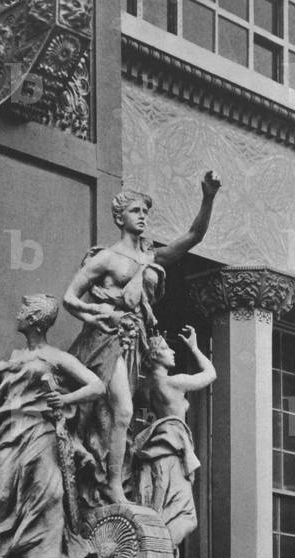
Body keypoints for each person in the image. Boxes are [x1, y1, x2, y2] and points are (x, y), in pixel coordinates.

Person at [63, 171, 222, 503]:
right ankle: (112, 485)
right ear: (120, 217)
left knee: (113, 415)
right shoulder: (105, 258)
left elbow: (193, 236)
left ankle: (106, 479)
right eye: (137, 211)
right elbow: (70, 299)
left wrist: (208, 198)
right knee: (121, 410)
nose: (143, 217)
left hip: (136, 343)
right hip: (105, 341)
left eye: (146, 213)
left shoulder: (151, 257)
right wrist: (100, 315)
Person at [0, 295, 105, 558]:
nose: (19, 313)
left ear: (36, 319)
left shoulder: (56, 357)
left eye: (25, 309)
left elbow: (97, 386)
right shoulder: (14, 359)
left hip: (41, 430)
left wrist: (63, 399)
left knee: (49, 492)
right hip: (8, 434)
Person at [129, 326, 216, 550]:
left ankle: (151, 555)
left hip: (153, 456)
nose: (173, 352)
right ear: (155, 355)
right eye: (167, 349)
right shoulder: (173, 382)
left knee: (158, 511)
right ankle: (155, 556)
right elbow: (210, 374)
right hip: (172, 454)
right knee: (187, 516)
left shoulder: (143, 389)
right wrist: (195, 349)